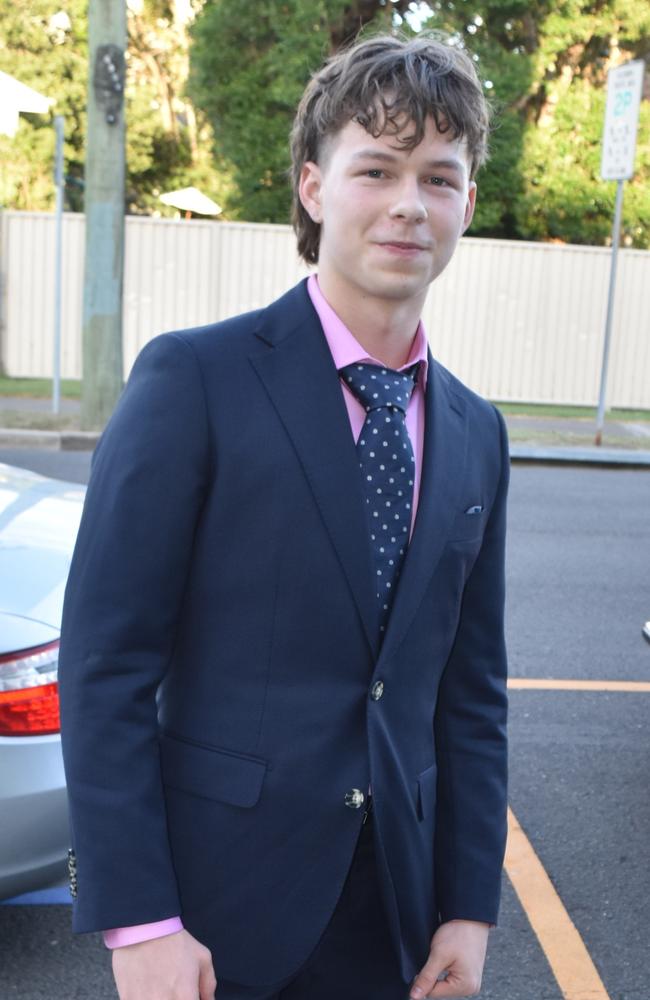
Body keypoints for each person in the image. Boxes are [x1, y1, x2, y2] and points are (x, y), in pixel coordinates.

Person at [58, 31, 509, 1000]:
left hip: (393, 912)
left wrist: (467, 904)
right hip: (213, 913)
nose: (405, 203)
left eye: (437, 177)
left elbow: (467, 695)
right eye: (375, 168)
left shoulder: (476, 430)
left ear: (465, 201)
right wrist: (138, 921)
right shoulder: (195, 378)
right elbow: (106, 665)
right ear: (312, 185)